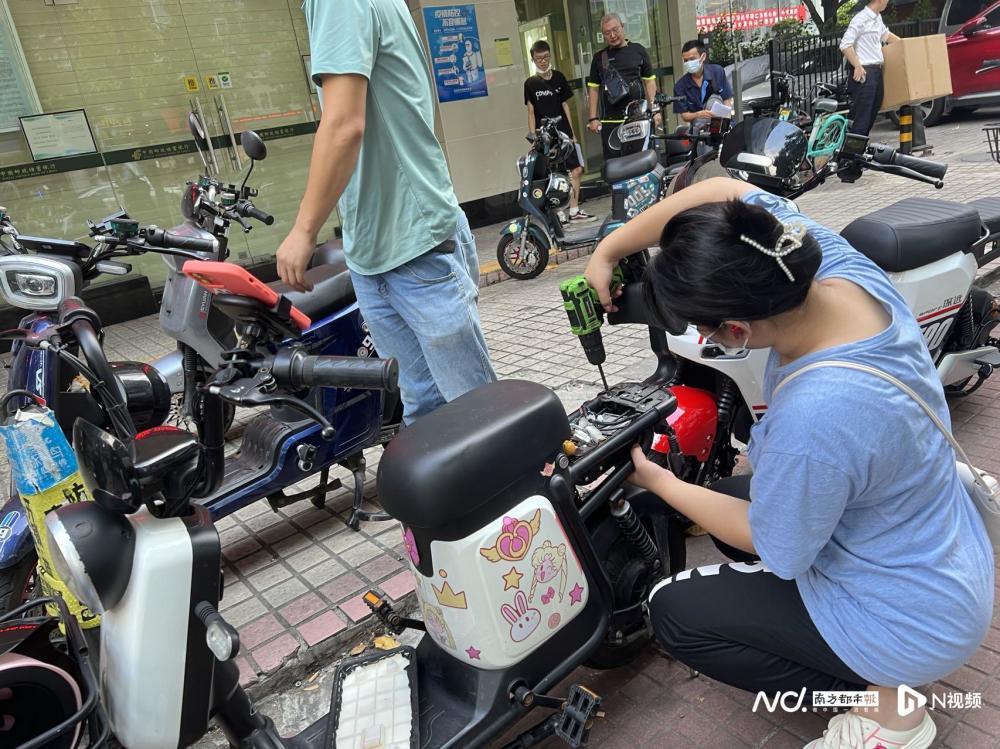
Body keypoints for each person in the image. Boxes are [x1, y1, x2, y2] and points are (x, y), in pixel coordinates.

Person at [585, 176, 994, 749]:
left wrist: (655, 478)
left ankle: (888, 708)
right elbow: (723, 190)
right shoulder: (818, 266)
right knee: (732, 494)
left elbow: (773, 543)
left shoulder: (820, 412)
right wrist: (608, 250)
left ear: (734, 331)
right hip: (935, 556)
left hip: (908, 619)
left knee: (673, 610)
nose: (696, 335)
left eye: (698, 326)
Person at [279, 0, 497, 424]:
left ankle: (518, 488)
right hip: (379, 249)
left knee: (478, 415)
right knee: (425, 409)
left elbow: (343, 126)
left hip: (413, 245)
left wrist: (304, 230)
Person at [524, 40, 595, 225]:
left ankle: (574, 209)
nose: (543, 61)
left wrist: (572, 133)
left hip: (562, 132)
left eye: (546, 57)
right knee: (554, 174)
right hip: (545, 136)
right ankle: (559, 212)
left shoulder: (559, 78)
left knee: (576, 169)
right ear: (533, 59)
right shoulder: (530, 83)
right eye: (539, 58)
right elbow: (530, 111)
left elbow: (566, 106)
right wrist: (533, 136)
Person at [839, 0, 901, 181]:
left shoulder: (876, 18)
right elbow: (845, 44)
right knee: (862, 120)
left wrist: (908, 46)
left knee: (870, 117)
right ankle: (847, 167)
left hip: (876, 70)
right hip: (865, 72)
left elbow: (886, 36)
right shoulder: (861, 19)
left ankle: (856, 161)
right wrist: (857, 65)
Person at [586, 13, 658, 161]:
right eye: (607, 33)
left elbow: (649, 82)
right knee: (615, 164)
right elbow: (593, 88)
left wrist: (656, 111)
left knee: (641, 160)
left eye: (615, 30)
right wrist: (593, 118)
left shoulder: (638, 50)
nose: (612, 35)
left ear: (622, 27)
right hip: (610, 121)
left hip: (637, 118)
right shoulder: (600, 58)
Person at [672, 39, 734, 130]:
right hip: (699, 131)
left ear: (703, 56)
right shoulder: (680, 86)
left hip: (721, 124)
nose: (689, 63)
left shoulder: (717, 72)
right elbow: (684, 116)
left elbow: (727, 100)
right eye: (686, 60)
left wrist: (725, 121)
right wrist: (699, 114)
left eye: (692, 59)